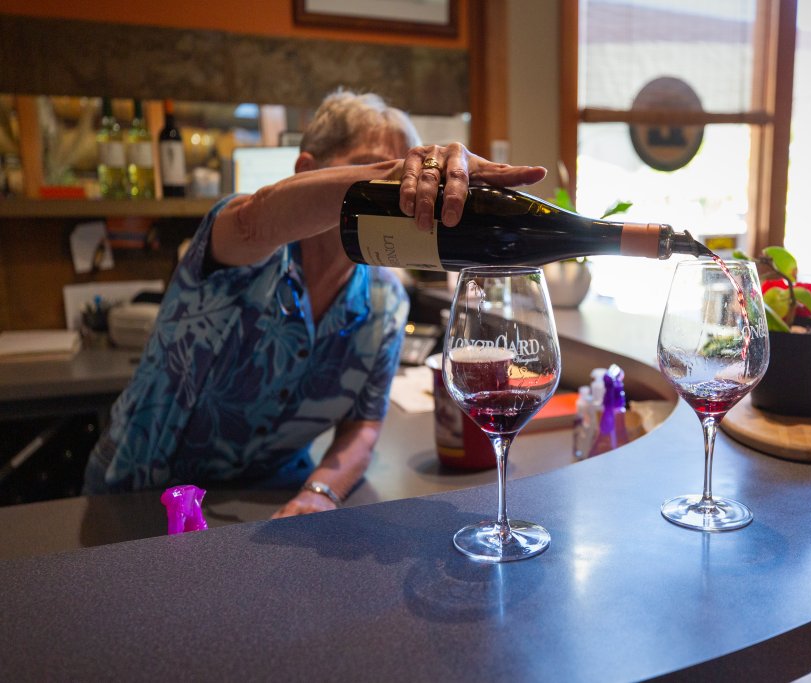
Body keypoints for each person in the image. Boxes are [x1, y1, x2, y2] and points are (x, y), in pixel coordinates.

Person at [82, 88, 546, 517]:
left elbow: (362, 427)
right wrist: (389, 175)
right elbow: (255, 222)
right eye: (373, 170)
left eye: (407, 181)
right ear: (305, 171)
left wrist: (318, 493)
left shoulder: (386, 299)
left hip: (271, 506)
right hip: (137, 500)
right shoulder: (244, 244)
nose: (398, 198)